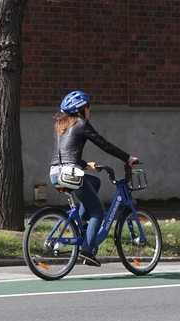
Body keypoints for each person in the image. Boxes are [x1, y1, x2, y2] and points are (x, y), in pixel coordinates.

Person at [49, 90, 138, 267]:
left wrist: (84, 164)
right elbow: (104, 144)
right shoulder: (81, 124)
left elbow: (65, 154)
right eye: (88, 107)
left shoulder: (62, 126)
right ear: (82, 109)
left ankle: (81, 220)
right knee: (98, 211)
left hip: (55, 173)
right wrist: (127, 158)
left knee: (95, 181)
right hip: (70, 174)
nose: (90, 110)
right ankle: (88, 251)